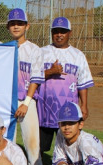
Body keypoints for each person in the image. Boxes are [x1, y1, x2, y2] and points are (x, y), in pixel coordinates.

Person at [37, 17, 94, 156]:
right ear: (51, 33)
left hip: (68, 111)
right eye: (56, 31)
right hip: (44, 110)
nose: (59, 34)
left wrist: (84, 105)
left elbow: (82, 82)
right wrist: (51, 71)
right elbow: (32, 78)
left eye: (63, 31)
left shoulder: (78, 55)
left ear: (70, 33)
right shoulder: (41, 52)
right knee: (39, 149)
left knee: (69, 147)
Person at [7, 8, 47, 165]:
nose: (16, 26)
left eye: (20, 23)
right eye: (13, 23)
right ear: (8, 27)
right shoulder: (4, 47)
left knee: (32, 145)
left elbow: (36, 79)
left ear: (26, 26)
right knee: (8, 144)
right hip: (7, 102)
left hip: (27, 101)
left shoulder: (34, 49)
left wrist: (27, 102)